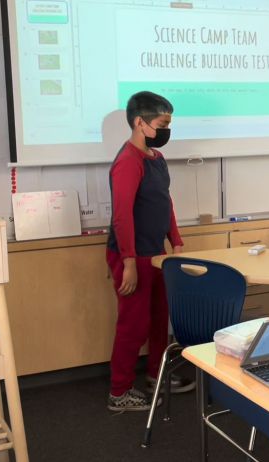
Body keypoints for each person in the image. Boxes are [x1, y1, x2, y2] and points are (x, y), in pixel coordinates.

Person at [105, 91, 192, 412]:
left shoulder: (156, 158)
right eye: (162, 123)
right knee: (133, 324)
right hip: (133, 256)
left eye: (169, 123)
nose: (167, 129)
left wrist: (176, 241)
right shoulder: (127, 162)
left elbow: (163, 202)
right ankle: (119, 392)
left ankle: (157, 376)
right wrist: (128, 261)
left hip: (156, 254)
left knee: (159, 320)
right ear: (140, 123)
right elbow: (122, 215)